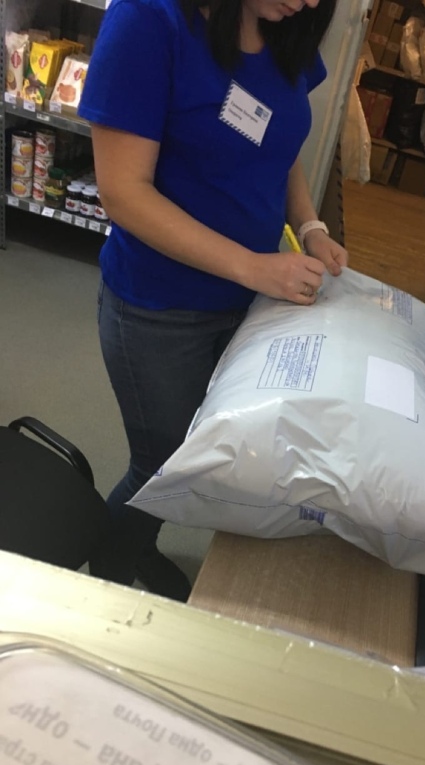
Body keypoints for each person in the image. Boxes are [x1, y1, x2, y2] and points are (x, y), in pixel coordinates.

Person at [78, 0, 348, 600]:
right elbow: (123, 192)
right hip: (161, 309)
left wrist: (309, 225)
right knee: (163, 464)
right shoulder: (149, 20)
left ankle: (138, 549)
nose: (308, 2)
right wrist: (255, 266)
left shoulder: (283, 28)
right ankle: (106, 586)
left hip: (250, 306)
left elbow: (279, 145)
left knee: (203, 454)